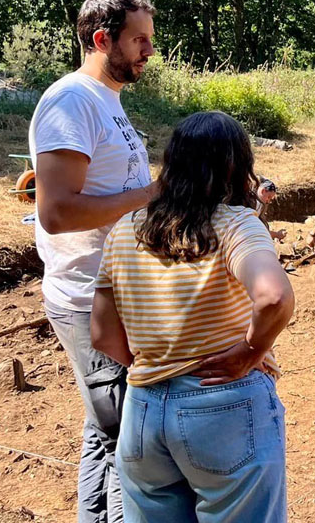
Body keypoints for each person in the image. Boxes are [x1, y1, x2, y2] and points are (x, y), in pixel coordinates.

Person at [90, 111, 294, 522]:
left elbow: (100, 333)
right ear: (236, 165)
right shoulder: (237, 224)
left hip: (144, 410)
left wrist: (154, 364)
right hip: (222, 404)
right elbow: (273, 296)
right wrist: (251, 350)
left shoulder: (126, 230)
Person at [28, 0, 158, 523]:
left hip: (115, 293)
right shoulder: (71, 101)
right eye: (139, 40)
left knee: (102, 429)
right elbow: (55, 212)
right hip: (88, 298)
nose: (149, 50)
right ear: (103, 40)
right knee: (128, 439)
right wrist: (156, 192)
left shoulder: (108, 100)